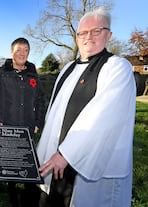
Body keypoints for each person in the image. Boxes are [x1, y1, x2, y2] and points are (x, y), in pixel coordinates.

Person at [36, 7, 136, 207]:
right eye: (82, 33)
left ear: (108, 35)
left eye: (96, 31)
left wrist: (66, 153)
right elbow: (55, 114)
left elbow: (103, 115)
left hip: (88, 167)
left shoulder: (117, 67)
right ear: (76, 38)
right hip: (55, 161)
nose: (88, 37)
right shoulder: (67, 69)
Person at [0, 37, 46, 207]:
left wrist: (38, 121)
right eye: (18, 50)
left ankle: (22, 199)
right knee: (1, 167)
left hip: (26, 129)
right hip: (6, 127)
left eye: (25, 50)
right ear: (11, 52)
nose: (22, 53)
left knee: (25, 167)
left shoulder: (33, 74)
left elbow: (41, 99)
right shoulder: (1, 73)